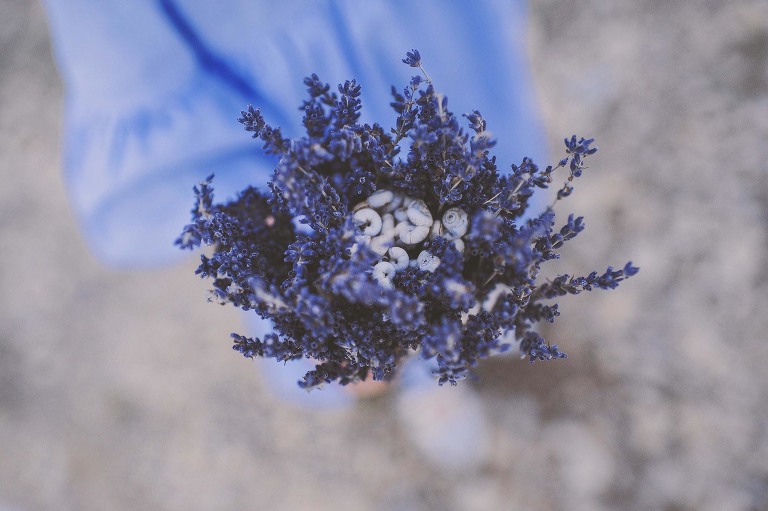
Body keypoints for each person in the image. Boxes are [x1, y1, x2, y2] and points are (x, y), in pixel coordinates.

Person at [42, 0, 547, 470]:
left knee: (480, 227)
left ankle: (472, 334)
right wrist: (279, 231)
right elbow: (128, 76)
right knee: (372, 315)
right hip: (287, 149)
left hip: (427, 39)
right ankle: (425, 384)